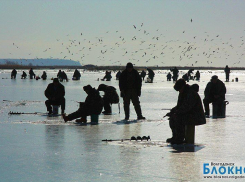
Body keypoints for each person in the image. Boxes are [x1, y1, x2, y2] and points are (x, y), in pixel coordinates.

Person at [166, 79, 206, 144]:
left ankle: (179, 138)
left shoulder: (191, 93)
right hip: (188, 114)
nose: (179, 91)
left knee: (178, 118)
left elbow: (187, 107)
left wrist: (176, 112)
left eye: (179, 89)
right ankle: (175, 136)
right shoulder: (183, 92)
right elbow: (180, 105)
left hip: (196, 116)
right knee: (172, 118)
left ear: (183, 86)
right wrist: (173, 111)